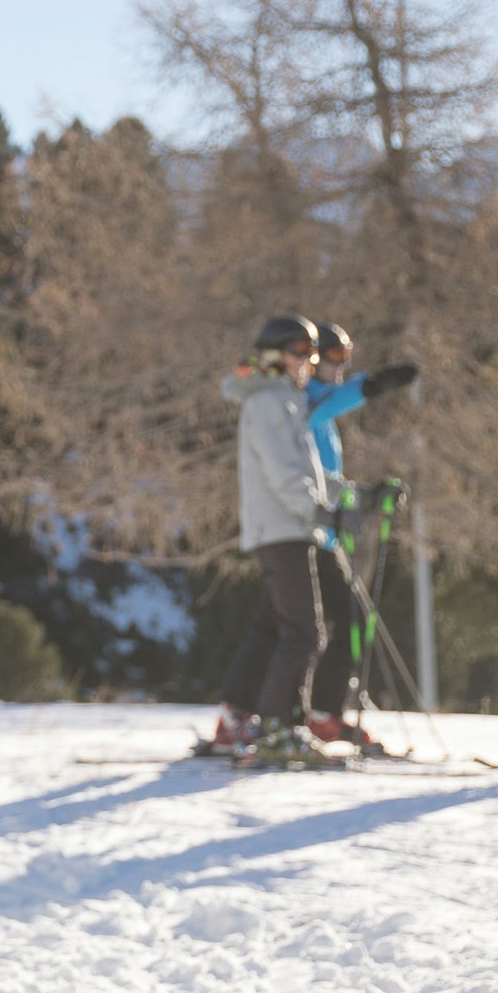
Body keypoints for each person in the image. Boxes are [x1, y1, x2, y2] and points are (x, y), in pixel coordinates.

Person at [209, 315, 333, 763]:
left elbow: (309, 474)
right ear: (275, 356)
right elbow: (285, 476)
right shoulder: (269, 404)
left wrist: (354, 495)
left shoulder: (285, 401)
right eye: (301, 351)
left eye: (313, 353)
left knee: (272, 628)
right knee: (305, 632)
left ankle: (237, 716)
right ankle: (281, 726)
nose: (309, 361)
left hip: (288, 525)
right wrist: (319, 509)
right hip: (283, 528)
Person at [299, 321, 417, 740]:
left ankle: (320, 713)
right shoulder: (308, 404)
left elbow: (329, 481)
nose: (341, 367)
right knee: (316, 625)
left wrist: (366, 496)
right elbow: (340, 398)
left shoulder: (322, 419)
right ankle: (302, 713)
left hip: (324, 534)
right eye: (334, 357)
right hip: (305, 535)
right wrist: (375, 384)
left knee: (341, 621)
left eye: (346, 359)